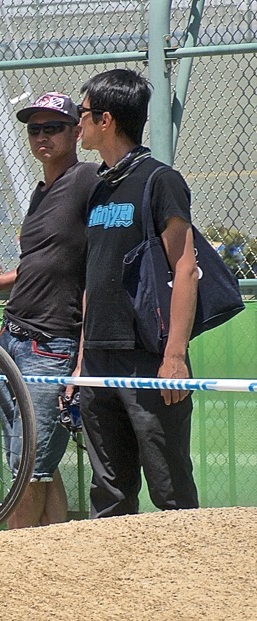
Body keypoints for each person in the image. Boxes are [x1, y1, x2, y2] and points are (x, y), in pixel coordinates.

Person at [77, 68, 199, 517]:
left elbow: (185, 268)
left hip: (148, 355)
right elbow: (94, 276)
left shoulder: (160, 180)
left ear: (106, 119)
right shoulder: (98, 187)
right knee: (108, 494)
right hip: (98, 360)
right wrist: (81, 360)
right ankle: (111, 586)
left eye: (83, 112)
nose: (78, 122)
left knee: (170, 489)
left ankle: (187, 581)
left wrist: (175, 356)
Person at [0, 92, 99, 529]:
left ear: (77, 131)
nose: (42, 136)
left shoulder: (89, 180)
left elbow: (91, 267)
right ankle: (49, 556)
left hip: (52, 343)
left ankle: (16, 561)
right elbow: (39, 262)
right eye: (34, 129)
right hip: (14, 336)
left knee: (28, 467)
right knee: (35, 463)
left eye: (54, 127)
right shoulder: (40, 192)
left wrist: (80, 361)